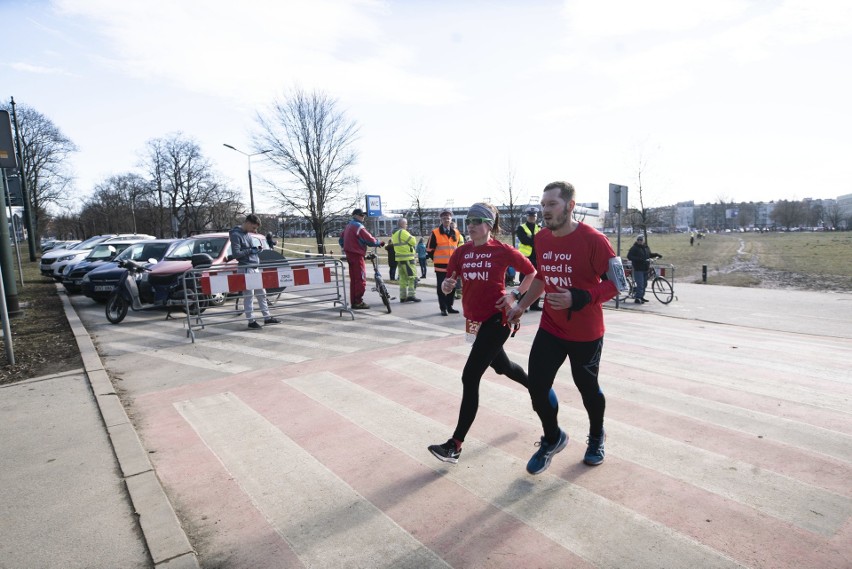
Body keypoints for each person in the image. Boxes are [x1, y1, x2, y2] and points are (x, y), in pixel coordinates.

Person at [507, 181, 625, 473]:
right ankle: (553, 437)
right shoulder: (542, 239)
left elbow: (619, 284)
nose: (545, 211)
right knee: (537, 385)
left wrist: (582, 296)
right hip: (551, 326)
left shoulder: (594, 240)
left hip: (586, 333)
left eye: (552, 205)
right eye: (543, 205)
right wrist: (521, 304)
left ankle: (596, 435)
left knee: (587, 389)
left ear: (570, 206)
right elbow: (542, 278)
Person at [428, 203, 555, 464]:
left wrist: (516, 295)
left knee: (470, 376)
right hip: (474, 322)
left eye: (477, 220)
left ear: (489, 225)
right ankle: (539, 389)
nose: (470, 225)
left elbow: (532, 272)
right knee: (504, 367)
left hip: (497, 321)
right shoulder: (461, 252)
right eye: (469, 220)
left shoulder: (501, 250)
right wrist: (447, 285)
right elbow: (447, 287)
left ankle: (455, 445)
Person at [229, 214, 281, 329]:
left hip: (253, 266)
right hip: (246, 268)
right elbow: (236, 254)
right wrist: (250, 251)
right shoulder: (236, 235)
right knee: (249, 295)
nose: (255, 230)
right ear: (247, 223)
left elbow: (246, 251)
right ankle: (251, 320)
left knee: (262, 294)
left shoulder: (246, 234)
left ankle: (267, 318)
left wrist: (255, 250)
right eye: (253, 228)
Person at [340, 208, 384, 310]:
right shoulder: (359, 227)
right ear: (354, 215)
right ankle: (358, 302)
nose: (363, 217)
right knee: (361, 279)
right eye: (361, 215)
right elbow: (369, 240)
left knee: (354, 280)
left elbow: (341, 240)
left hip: (350, 255)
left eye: (363, 215)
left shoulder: (348, 226)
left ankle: (354, 301)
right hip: (357, 255)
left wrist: (347, 247)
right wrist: (379, 243)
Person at [426, 209, 462, 316]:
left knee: (452, 286)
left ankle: (449, 306)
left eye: (448, 217)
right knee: (441, 287)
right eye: (444, 217)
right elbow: (429, 250)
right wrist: (437, 260)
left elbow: (459, 248)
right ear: (441, 219)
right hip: (440, 266)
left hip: (453, 266)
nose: (447, 219)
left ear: (451, 219)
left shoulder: (456, 232)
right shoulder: (435, 232)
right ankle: (443, 308)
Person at [516, 206, 543, 311]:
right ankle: (522, 303)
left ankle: (534, 304)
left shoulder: (539, 228)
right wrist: (535, 240)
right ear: (527, 217)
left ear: (536, 217)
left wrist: (532, 239)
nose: (532, 217)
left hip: (537, 258)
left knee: (538, 280)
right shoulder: (521, 228)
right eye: (530, 216)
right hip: (525, 258)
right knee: (524, 281)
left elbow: (542, 241)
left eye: (534, 216)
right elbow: (524, 240)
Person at [390, 218, 420, 302]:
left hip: (399, 259)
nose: (407, 226)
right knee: (412, 277)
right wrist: (411, 235)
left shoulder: (395, 234)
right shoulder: (403, 232)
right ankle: (411, 295)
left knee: (402, 278)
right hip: (408, 259)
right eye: (406, 224)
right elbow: (413, 241)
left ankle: (403, 297)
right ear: (402, 224)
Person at [626, 234, 662, 304]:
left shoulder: (646, 247)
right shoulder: (634, 248)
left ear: (643, 241)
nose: (640, 241)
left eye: (641, 240)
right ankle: (637, 298)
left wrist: (656, 254)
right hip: (638, 269)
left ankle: (641, 296)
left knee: (644, 284)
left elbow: (649, 255)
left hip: (645, 268)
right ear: (637, 240)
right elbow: (629, 256)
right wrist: (639, 259)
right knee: (640, 284)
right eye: (638, 240)